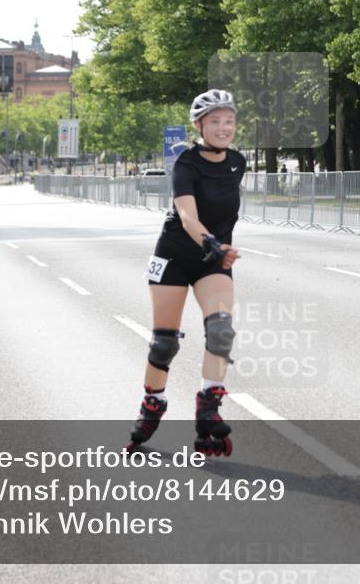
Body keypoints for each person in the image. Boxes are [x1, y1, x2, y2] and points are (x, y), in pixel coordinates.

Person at [128, 89, 245, 457]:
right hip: (176, 255)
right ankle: (153, 403)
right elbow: (187, 216)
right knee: (165, 343)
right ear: (199, 126)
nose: (223, 128)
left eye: (229, 121)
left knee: (221, 331)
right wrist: (211, 242)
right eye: (215, 122)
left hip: (213, 259)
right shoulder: (185, 164)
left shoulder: (238, 162)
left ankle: (208, 406)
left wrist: (216, 249)